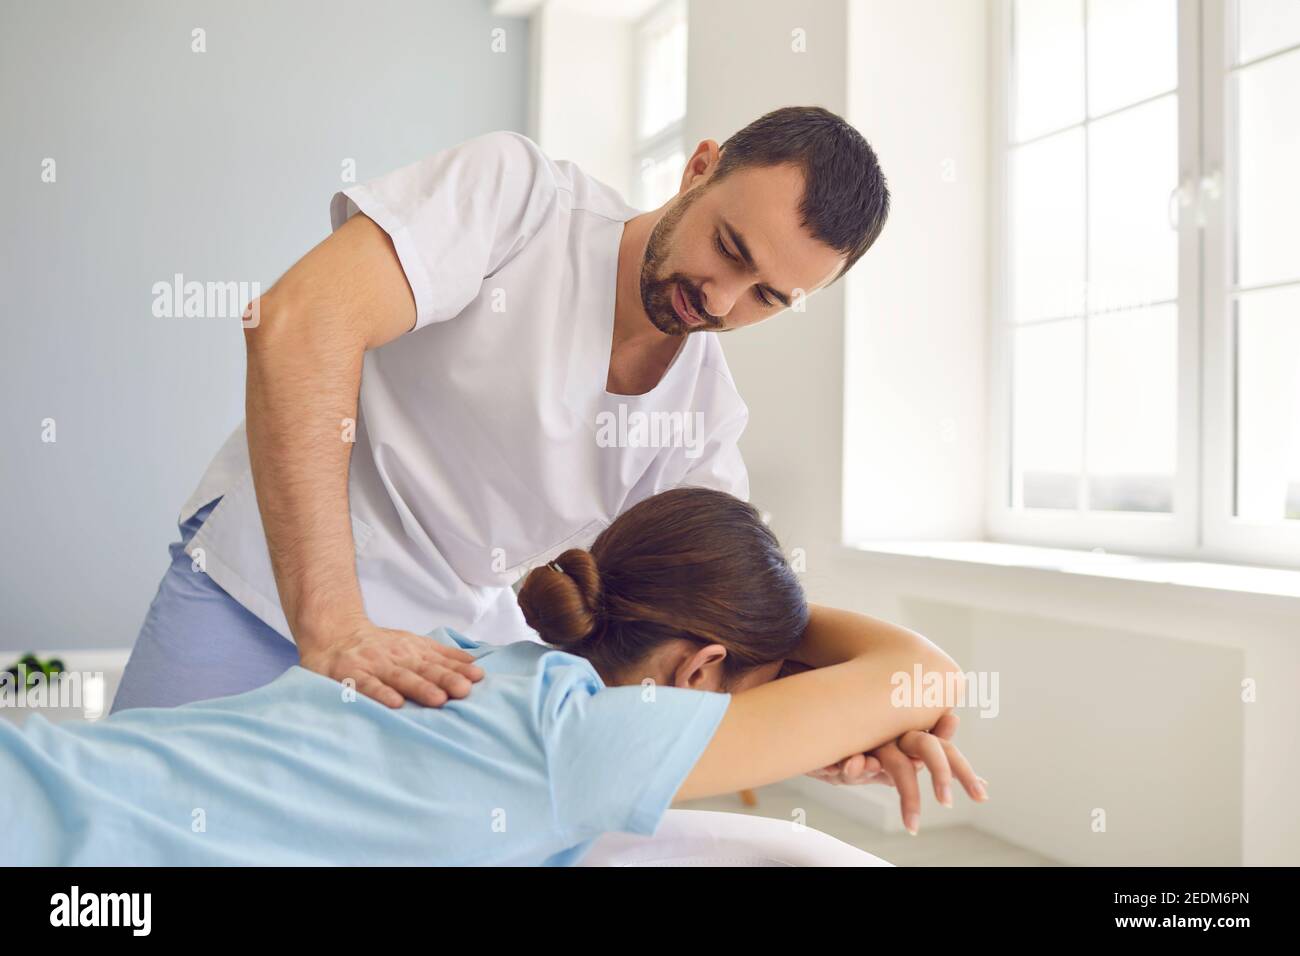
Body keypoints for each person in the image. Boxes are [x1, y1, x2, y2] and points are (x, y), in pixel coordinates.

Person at [111, 106, 893, 724]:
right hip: (268, 587)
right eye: (729, 248)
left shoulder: (704, 422)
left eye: (767, 298)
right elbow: (298, 324)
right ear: (698, 169)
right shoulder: (521, 199)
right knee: (130, 841)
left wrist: (859, 710)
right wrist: (334, 626)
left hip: (442, 663)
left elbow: (725, 617)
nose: (721, 299)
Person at [4, 489, 981, 866]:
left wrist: (763, 637)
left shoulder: (472, 662)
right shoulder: (591, 740)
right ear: (702, 665)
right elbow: (927, 673)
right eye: (757, 688)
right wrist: (788, 626)